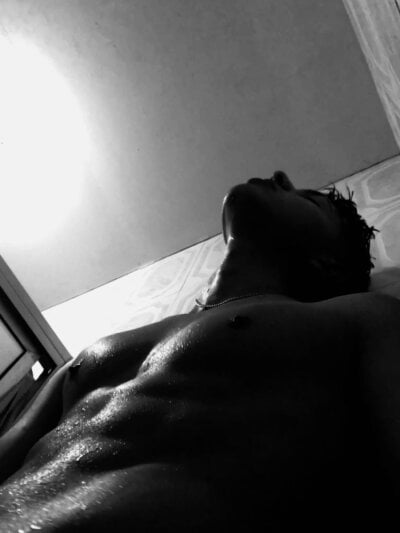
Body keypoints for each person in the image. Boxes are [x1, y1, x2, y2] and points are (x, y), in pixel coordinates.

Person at [0, 171, 399, 532]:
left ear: (328, 262)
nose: (280, 176)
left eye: (310, 199)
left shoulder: (357, 317)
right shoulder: (90, 353)